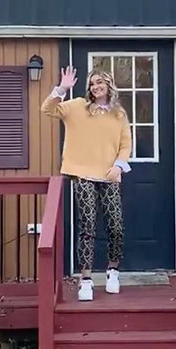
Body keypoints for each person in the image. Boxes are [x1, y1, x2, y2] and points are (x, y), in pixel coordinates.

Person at [41, 65, 132, 301]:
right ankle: (87, 280)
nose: (96, 86)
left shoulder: (119, 114)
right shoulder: (77, 107)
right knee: (87, 227)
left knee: (116, 226)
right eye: (92, 83)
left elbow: (125, 144)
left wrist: (119, 166)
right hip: (82, 174)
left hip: (110, 175)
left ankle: (113, 271)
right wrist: (62, 88)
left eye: (100, 82)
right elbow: (47, 109)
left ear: (108, 85)